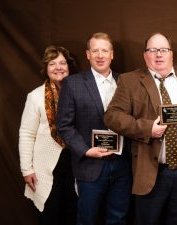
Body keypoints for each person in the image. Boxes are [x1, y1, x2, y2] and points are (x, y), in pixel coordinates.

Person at [104, 32, 177, 225]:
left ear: (171, 54)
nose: (158, 54)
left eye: (163, 50)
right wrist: (146, 129)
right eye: (152, 50)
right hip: (151, 172)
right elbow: (112, 116)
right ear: (145, 55)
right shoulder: (130, 81)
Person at [56, 32, 131, 225]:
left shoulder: (126, 82)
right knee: (87, 219)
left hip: (122, 164)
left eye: (104, 50)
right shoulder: (73, 84)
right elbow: (64, 125)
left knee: (118, 218)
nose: (100, 55)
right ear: (87, 54)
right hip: (90, 166)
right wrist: (86, 150)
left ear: (112, 54)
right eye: (95, 50)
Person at [19, 45, 78, 225]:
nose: (58, 67)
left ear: (69, 66)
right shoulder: (35, 97)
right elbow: (27, 134)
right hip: (46, 167)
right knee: (51, 215)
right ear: (46, 68)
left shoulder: (80, 92)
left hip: (76, 163)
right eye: (53, 63)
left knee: (74, 213)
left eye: (62, 63)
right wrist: (26, 169)